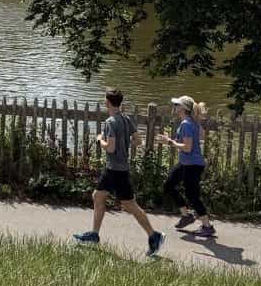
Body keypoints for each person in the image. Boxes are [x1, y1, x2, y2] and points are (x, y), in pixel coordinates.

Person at [75, 89, 164, 256]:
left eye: (105, 100)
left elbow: (110, 148)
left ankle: (154, 235)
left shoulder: (110, 122)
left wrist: (100, 140)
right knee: (98, 196)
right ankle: (94, 234)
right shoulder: (126, 119)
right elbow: (138, 141)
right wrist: (125, 142)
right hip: (120, 168)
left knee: (129, 205)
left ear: (107, 102)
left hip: (114, 169)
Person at [158, 95, 214, 238]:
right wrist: (174, 140)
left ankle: (207, 226)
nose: (174, 107)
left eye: (177, 105)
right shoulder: (192, 122)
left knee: (192, 195)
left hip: (192, 164)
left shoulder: (187, 124)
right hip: (186, 163)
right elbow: (201, 136)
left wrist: (170, 142)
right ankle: (186, 216)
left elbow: (187, 148)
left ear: (183, 108)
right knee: (169, 186)